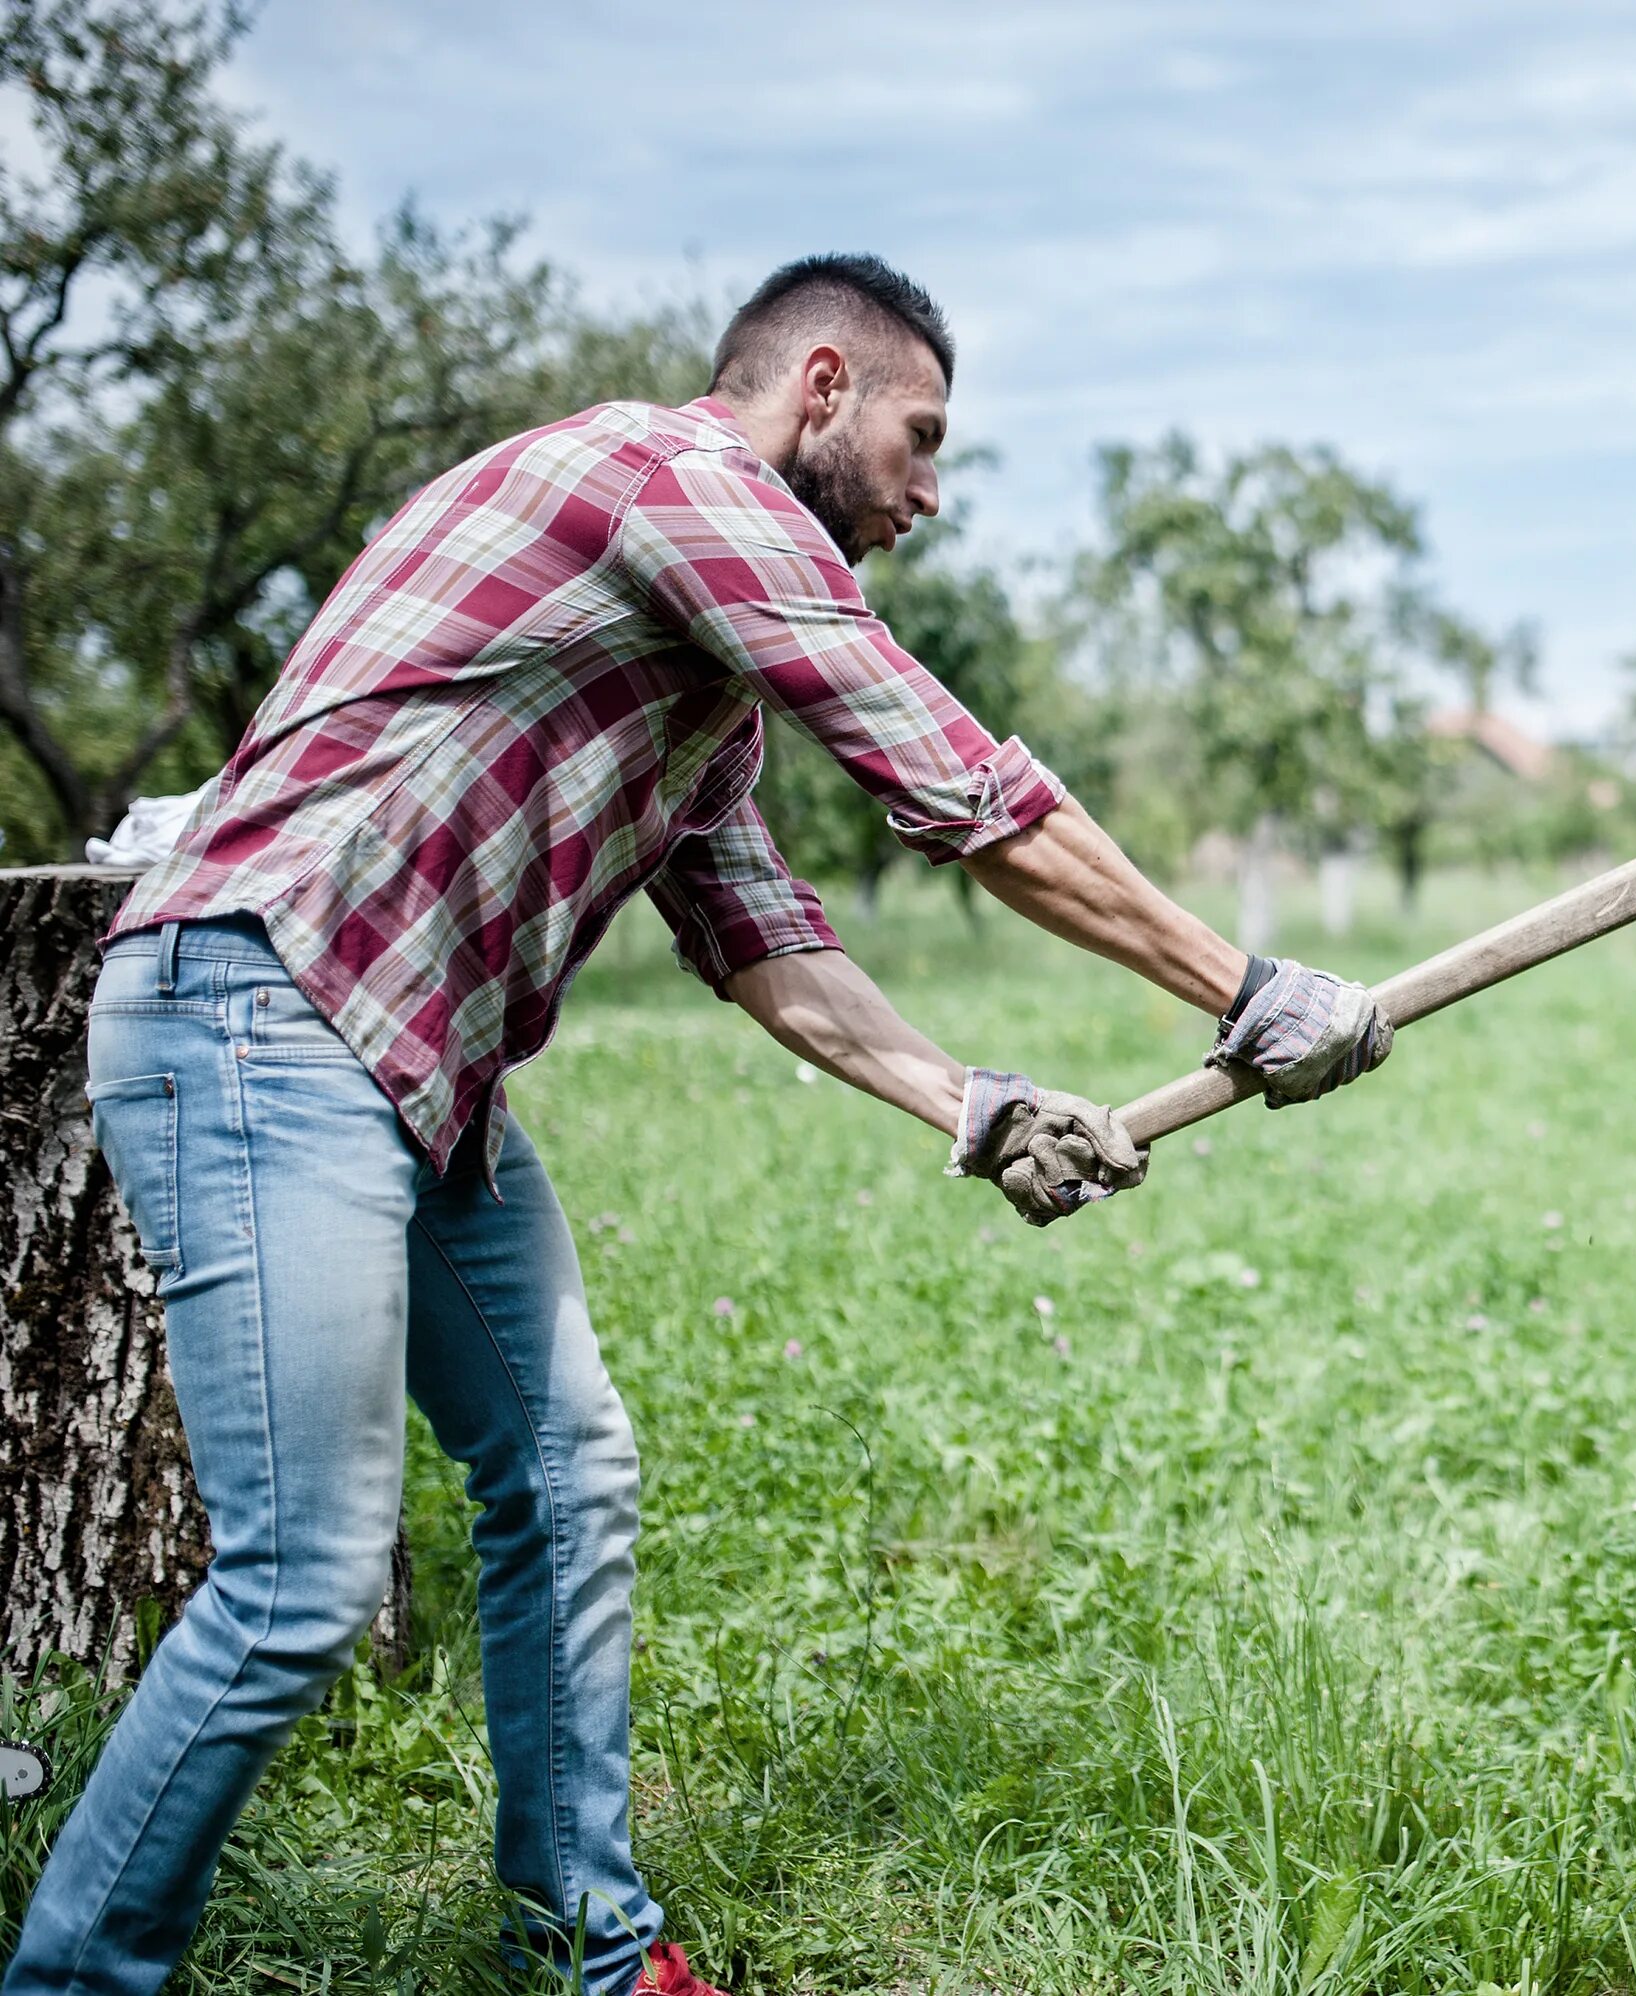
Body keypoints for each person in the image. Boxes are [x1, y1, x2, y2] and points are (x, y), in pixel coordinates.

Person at [2, 254, 1390, 1996]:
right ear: (822, 385)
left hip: (417, 1068)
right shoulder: (685, 490)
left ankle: (587, 1943)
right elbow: (955, 782)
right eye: (921, 436)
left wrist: (977, 1105)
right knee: (298, 1584)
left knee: (567, 1473)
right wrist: (1238, 986)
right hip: (259, 1008)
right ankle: (67, 1984)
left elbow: (760, 940)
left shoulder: (697, 664)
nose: (930, 493)